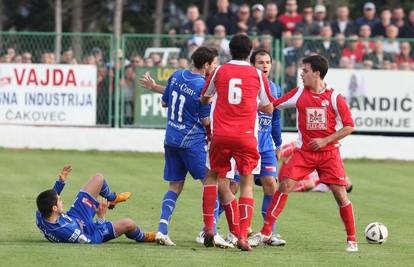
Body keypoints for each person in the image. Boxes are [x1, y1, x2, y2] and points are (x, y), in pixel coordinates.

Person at [249, 54, 358, 252]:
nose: (301, 74)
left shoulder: (334, 97)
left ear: (317, 73)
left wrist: (325, 140)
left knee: (340, 195)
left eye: (305, 71)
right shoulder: (299, 93)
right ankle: (265, 232)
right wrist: (250, 104)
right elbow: (273, 105)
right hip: (304, 153)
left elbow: (349, 126)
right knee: (284, 185)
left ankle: (352, 239)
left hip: (329, 153)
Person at [139, 47, 232, 248]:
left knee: (174, 186)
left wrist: (155, 87)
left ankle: (162, 231)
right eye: (214, 63)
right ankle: (212, 232)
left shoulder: (176, 75)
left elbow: (167, 101)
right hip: (192, 142)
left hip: (171, 138)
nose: (216, 67)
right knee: (211, 185)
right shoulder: (203, 86)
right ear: (206, 65)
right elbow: (206, 120)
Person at [200, 34, 274, 251]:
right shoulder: (257, 74)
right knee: (247, 184)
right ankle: (242, 235)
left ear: (229, 50)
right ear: (250, 52)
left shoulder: (220, 70)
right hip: (246, 137)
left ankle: (209, 227)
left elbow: (205, 97)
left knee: (212, 176)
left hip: (221, 135)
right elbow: (268, 106)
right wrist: (250, 105)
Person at [218, 49, 286, 247]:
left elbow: (275, 119)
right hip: (246, 142)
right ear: (252, 65)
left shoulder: (276, 89)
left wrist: (278, 143)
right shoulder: (247, 84)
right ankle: (219, 228)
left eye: (267, 62)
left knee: (271, 185)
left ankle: (268, 232)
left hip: (265, 147)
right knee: (232, 186)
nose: (265, 66)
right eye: (260, 62)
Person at [36, 165, 154, 244]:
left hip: (75, 216)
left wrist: (60, 182)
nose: (62, 201)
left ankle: (113, 198)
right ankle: (143, 237)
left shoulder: (41, 213)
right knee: (129, 223)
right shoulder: (70, 231)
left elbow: (50, 198)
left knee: (99, 178)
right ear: (54, 208)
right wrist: (101, 218)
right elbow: (94, 241)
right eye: (59, 200)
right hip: (90, 230)